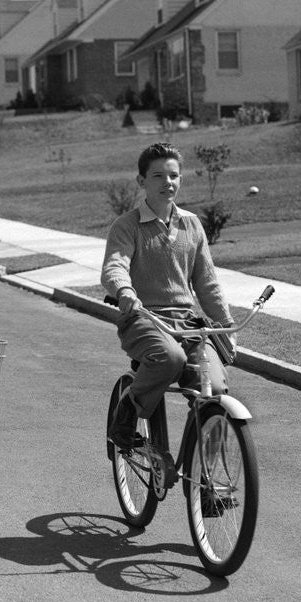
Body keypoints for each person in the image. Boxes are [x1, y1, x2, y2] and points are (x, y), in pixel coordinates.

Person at [101, 142, 235, 450]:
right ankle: (126, 414)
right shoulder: (127, 226)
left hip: (186, 323)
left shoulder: (191, 225)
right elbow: (114, 267)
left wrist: (225, 323)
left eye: (173, 175)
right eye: (158, 176)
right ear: (142, 182)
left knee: (215, 389)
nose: (168, 182)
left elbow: (207, 283)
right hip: (143, 319)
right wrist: (124, 292)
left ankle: (211, 483)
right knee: (169, 358)